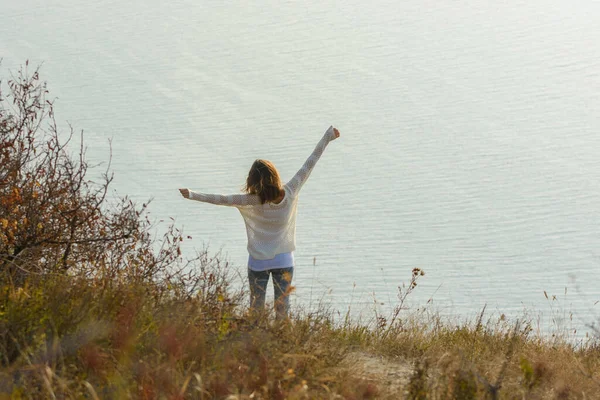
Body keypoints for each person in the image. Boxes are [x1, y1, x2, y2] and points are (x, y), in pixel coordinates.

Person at [179, 125, 341, 319]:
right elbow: (310, 163)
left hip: (258, 262)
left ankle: (257, 344)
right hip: (284, 260)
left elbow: (221, 199)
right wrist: (327, 137)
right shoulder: (291, 192)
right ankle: (283, 344)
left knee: (256, 310)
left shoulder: (250, 201)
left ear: (252, 181)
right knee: (283, 310)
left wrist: (192, 195)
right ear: (275, 176)